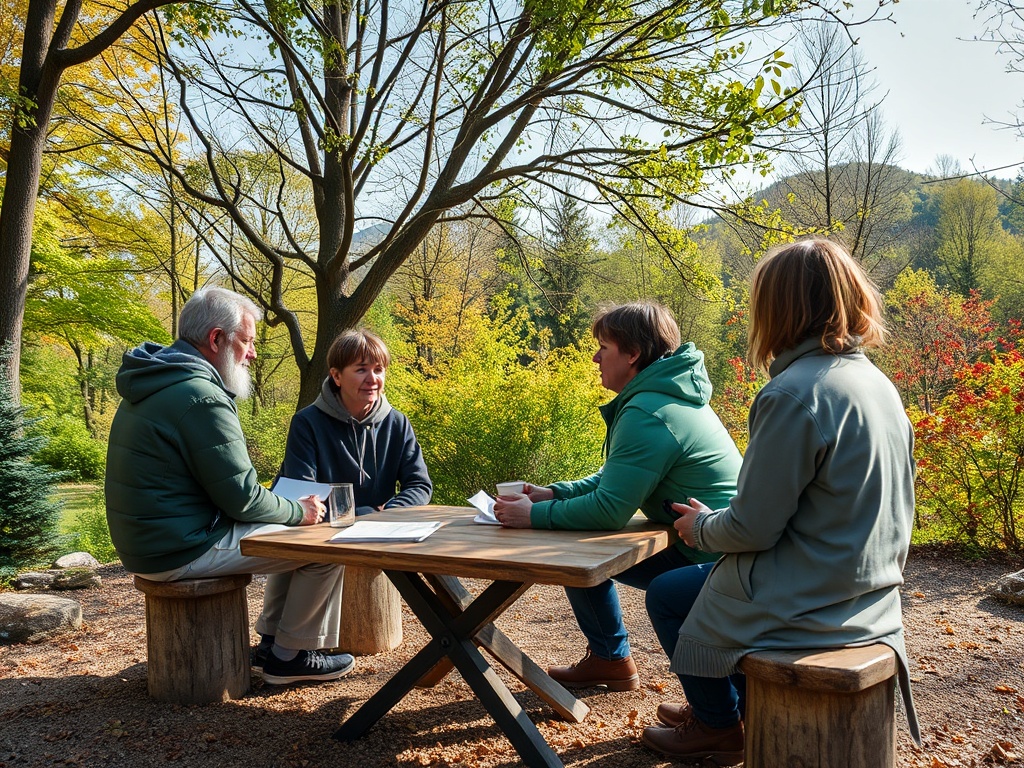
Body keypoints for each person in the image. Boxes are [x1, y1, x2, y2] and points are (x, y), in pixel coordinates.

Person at [641, 238, 921, 765]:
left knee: (668, 593)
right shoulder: (876, 384)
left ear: (778, 308)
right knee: (685, 589)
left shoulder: (793, 393)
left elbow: (752, 529)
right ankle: (729, 711)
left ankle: (722, 724)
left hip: (812, 598)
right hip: (871, 589)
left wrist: (701, 527)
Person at [105, 286, 354, 686]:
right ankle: (289, 657)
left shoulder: (155, 381)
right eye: (247, 341)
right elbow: (242, 498)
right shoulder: (201, 396)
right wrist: (299, 511)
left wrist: (287, 515)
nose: (252, 354)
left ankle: (275, 643)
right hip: (181, 547)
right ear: (216, 339)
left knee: (297, 536)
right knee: (325, 547)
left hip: (149, 541)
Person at [493, 301, 742, 691]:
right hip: (710, 541)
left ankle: (717, 717)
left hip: (715, 552)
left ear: (632, 354)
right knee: (579, 544)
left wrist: (533, 516)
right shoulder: (665, 394)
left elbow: (609, 508)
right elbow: (617, 477)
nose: (595, 357)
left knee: (578, 546)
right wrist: (551, 494)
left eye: (604, 347)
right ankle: (611, 661)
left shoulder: (649, 410)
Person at [279, 329, 431, 515]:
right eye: (361, 369)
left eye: (378, 370)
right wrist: (368, 513)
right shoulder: (306, 423)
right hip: (323, 533)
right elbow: (304, 498)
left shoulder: (397, 423)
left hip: (384, 531)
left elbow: (419, 485)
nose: (372, 379)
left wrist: (390, 512)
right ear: (336, 376)